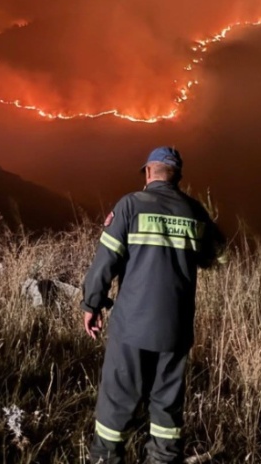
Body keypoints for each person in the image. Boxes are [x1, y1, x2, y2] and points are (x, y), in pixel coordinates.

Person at [81, 147, 226, 464]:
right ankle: (162, 458)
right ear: (178, 177)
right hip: (176, 329)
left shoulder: (131, 205)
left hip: (132, 326)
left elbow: (105, 263)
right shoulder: (194, 211)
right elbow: (217, 255)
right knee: (166, 406)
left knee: (117, 400)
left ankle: (105, 458)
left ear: (148, 173)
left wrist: (92, 303)